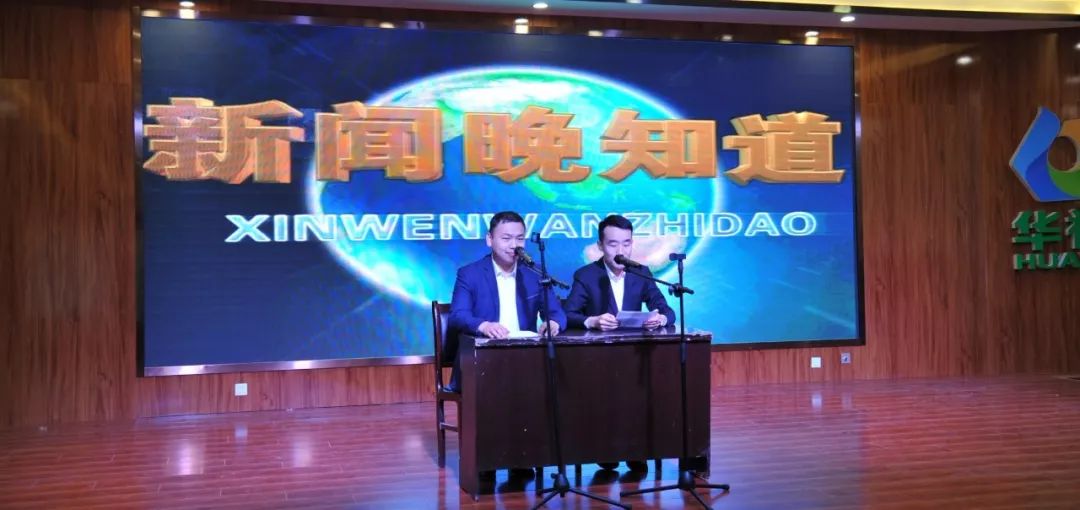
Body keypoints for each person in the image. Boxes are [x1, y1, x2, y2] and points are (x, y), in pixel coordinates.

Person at [445, 211, 567, 480]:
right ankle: (486, 460)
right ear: (489, 239)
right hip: (482, 361)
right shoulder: (470, 274)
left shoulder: (534, 274)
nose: (514, 245)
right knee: (494, 390)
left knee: (544, 383)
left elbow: (557, 312)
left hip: (523, 359)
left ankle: (522, 457)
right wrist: (483, 325)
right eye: (506, 238)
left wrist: (553, 323)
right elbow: (457, 315)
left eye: (519, 238)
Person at [562, 214, 676, 472]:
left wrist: (659, 319)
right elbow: (568, 314)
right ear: (601, 246)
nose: (620, 250)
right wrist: (592, 321)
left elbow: (667, 311)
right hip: (597, 359)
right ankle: (606, 449)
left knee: (643, 393)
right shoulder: (586, 275)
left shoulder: (641, 272)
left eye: (626, 243)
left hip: (634, 356)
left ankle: (636, 450)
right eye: (613, 244)